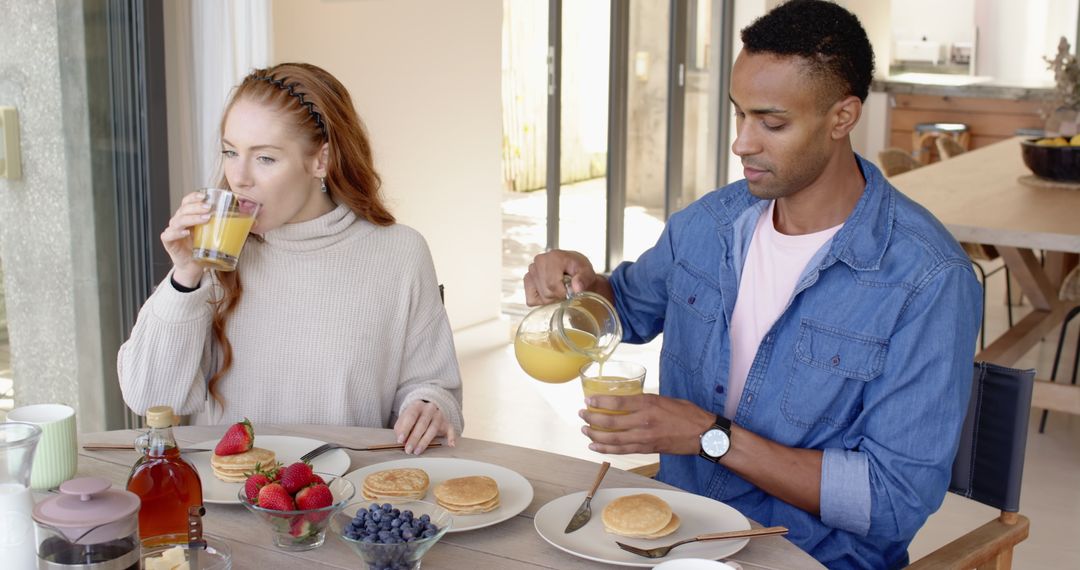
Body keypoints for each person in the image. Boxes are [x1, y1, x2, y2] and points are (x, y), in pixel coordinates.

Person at [523, 1, 980, 567]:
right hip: (677, 532)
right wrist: (581, 284)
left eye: (772, 122)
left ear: (843, 117)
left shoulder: (928, 279)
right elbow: (626, 310)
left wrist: (708, 435)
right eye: (739, 115)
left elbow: (892, 501)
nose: (741, 142)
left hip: (813, 554)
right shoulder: (712, 223)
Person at [119, 63, 460, 454]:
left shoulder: (400, 253)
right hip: (228, 496)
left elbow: (434, 384)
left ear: (321, 160)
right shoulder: (216, 253)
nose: (239, 177)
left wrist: (430, 405)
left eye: (264, 158)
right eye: (231, 152)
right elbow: (150, 398)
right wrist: (185, 276)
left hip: (347, 497)